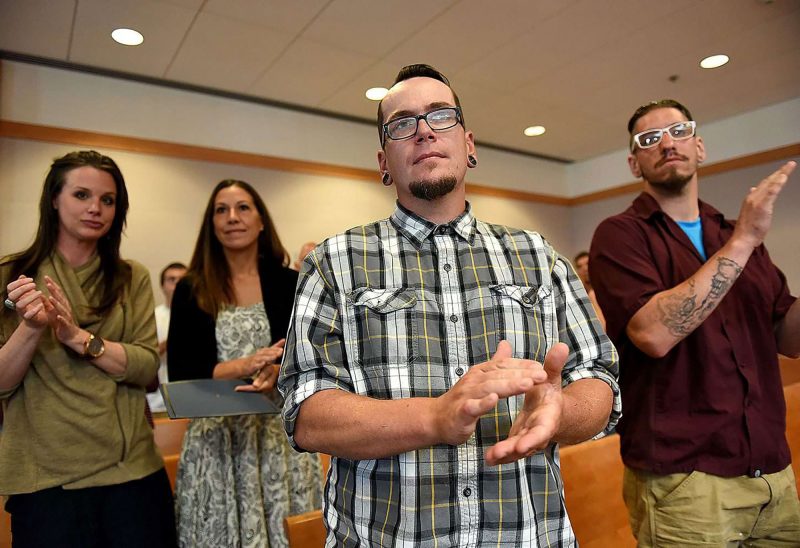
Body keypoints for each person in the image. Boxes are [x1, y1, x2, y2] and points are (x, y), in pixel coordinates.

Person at [279, 64, 620, 547]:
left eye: (440, 116)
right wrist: (435, 417)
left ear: (470, 144)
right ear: (383, 160)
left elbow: (599, 379)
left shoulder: (540, 257)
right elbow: (305, 411)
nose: (422, 130)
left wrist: (560, 412)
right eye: (402, 123)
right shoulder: (334, 263)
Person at [589, 99, 800, 546]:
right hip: (683, 483)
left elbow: (787, 334)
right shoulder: (621, 235)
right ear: (634, 163)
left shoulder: (733, 232)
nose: (667, 143)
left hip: (772, 472)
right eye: (650, 139)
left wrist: (742, 239)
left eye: (679, 131)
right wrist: (744, 240)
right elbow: (653, 333)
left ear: (699, 147)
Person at [0, 150, 176, 547]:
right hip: (47, 479)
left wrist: (77, 337)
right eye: (82, 195)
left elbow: (147, 365)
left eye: (108, 200)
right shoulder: (14, 276)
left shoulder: (132, 277)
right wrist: (31, 329)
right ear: (54, 199)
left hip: (131, 472)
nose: (96, 208)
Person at [167, 179, 321, 548]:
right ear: (211, 223)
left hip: (277, 437)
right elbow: (183, 373)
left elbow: (307, 357)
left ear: (261, 220)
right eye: (221, 210)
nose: (232, 218)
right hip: (216, 440)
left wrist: (275, 370)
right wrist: (246, 364)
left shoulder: (289, 283)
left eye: (243, 208)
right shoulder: (192, 288)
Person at [146, 261, 187, 413]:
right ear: (162, 286)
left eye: (183, 280)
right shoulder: (152, 318)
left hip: (191, 395)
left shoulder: (203, 318)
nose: (177, 284)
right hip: (158, 398)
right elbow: (143, 357)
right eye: (172, 279)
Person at [573, 250, 605, 329]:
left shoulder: (606, 292)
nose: (585, 269)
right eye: (579, 266)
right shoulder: (577, 298)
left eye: (588, 263)